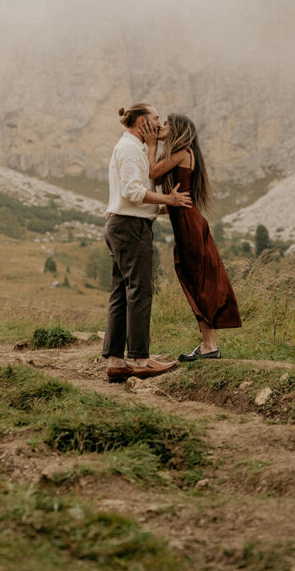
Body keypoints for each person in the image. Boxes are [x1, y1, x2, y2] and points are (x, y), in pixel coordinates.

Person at [103, 102, 192, 381]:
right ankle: (140, 360)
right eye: (155, 118)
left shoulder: (132, 148)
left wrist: (167, 207)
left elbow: (134, 195)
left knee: (121, 292)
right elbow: (132, 192)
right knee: (139, 291)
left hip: (124, 223)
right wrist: (168, 199)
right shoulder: (129, 149)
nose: (158, 123)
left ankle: (116, 360)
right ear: (141, 121)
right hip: (130, 227)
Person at [147, 113, 241, 360]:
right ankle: (209, 344)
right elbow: (174, 195)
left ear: (177, 128)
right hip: (188, 225)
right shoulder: (182, 154)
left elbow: (152, 172)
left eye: (166, 123)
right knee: (194, 281)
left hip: (190, 227)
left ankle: (210, 346)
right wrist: (162, 205)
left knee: (197, 282)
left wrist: (152, 145)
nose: (161, 126)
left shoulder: (183, 152)